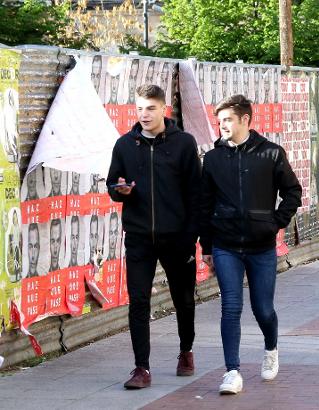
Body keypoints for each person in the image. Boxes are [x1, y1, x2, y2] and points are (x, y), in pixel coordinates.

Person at [199, 94, 302, 395]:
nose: (223, 126)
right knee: (230, 307)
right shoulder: (213, 158)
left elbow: (292, 192)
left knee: (263, 309)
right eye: (220, 121)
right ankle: (232, 371)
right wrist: (206, 246)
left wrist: (275, 222)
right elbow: (205, 205)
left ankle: (271, 349)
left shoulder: (271, 153)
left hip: (261, 246)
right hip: (225, 244)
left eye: (229, 119)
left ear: (245, 119)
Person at [107, 84, 201, 390]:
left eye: (150, 108)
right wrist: (119, 191)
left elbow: (195, 194)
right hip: (138, 237)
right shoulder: (124, 145)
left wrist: (191, 236)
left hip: (177, 237)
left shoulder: (184, 144)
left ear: (164, 110)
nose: (144, 114)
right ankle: (141, 368)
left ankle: (186, 350)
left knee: (184, 299)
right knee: (138, 301)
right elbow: (112, 184)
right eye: (140, 109)